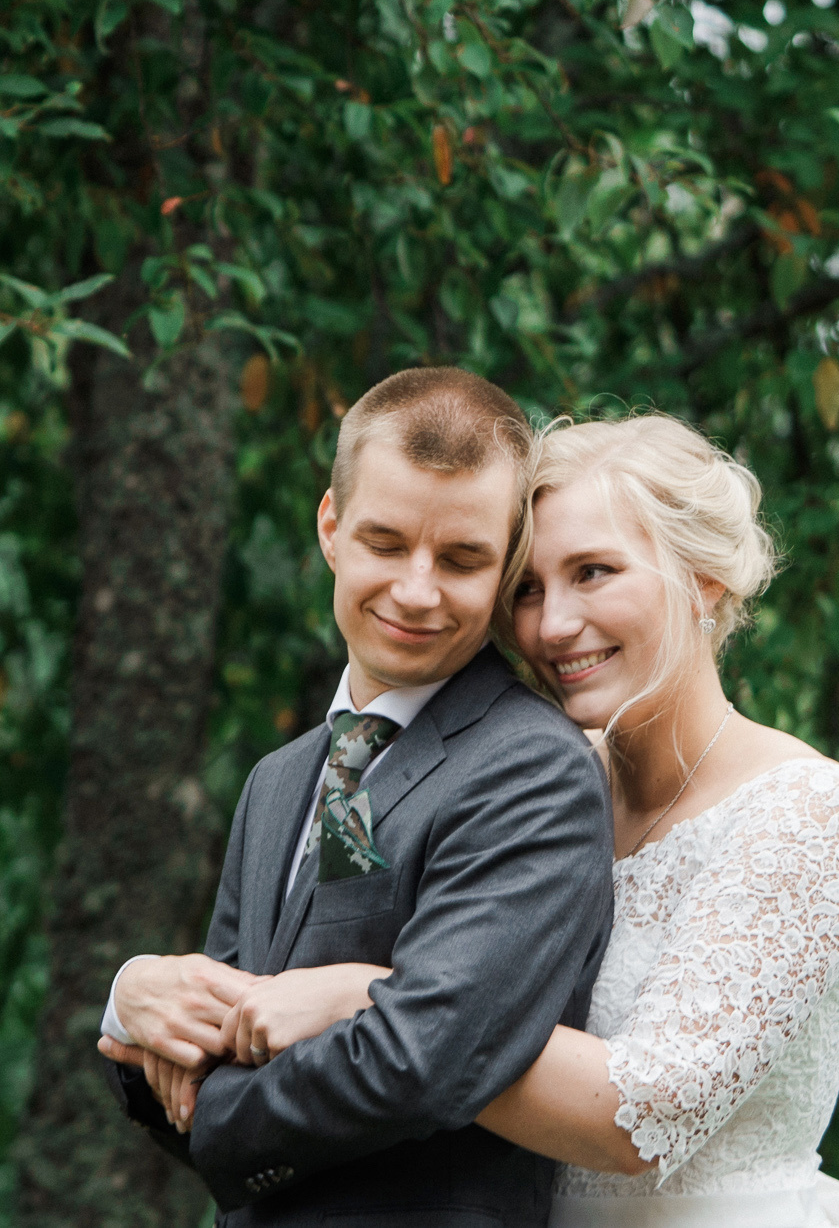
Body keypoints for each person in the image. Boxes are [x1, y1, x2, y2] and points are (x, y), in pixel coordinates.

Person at [122, 411, 839, 1228]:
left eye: (594, 572)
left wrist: (369, 999)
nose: (553, 625)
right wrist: (140, 992)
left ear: (703, 579)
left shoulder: (801, 812)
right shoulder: (508, 784)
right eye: (527, 588)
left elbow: (645, 1113)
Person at [98, 366, 617, 1224]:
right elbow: (203, 1043)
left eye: (461, 559)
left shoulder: (533, 769)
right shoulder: (279, 781)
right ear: (331, 528)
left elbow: (422, 1059)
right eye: (386, 543)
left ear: (504, 566)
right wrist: (133, 1001)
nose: (417, 591)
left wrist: (219, 1107)